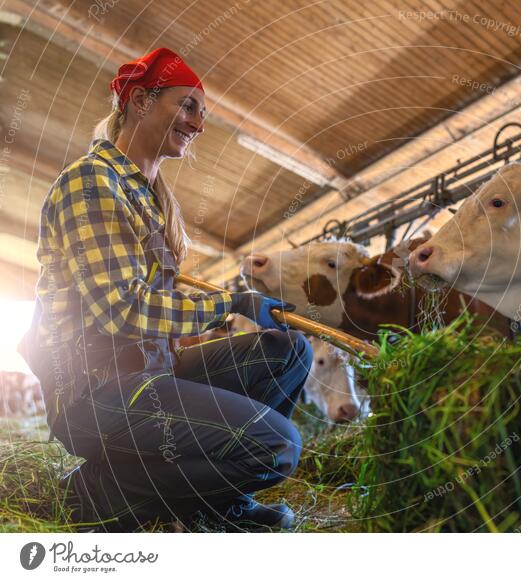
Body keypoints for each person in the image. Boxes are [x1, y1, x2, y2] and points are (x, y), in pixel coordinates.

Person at [19, 47, 312, 532]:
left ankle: (216, 501)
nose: (198, 123)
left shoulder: (149, 197)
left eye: (202, 113)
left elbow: (151, 306)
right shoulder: (93, 185)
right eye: (188, 105)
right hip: (94, 390)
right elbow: (122, 309)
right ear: (138, 101)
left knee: (290, 351)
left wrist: (217, 314)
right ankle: (102, 490)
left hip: (148, 371)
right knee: (277, 446)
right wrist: (232, 303)